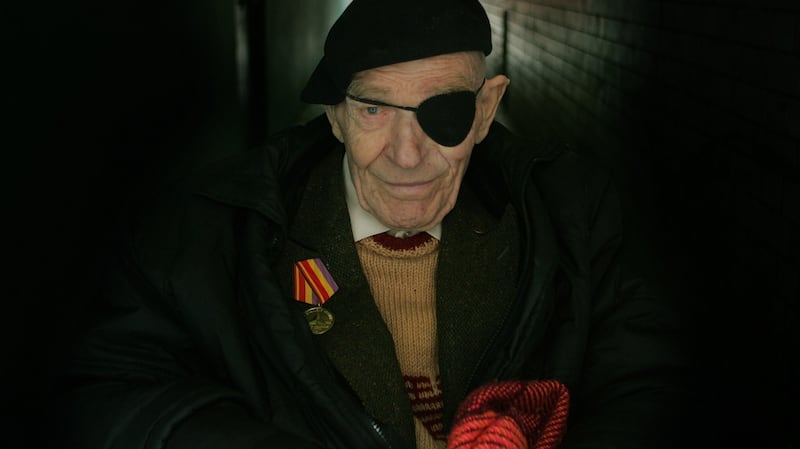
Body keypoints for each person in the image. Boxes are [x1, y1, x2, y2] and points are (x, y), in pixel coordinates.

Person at [47, 1, 688, 448]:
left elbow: (649, 384)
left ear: (488, 111)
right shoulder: (207, 232)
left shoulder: (575, 217)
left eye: (445, 113)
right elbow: (108, 392)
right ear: (335, 116)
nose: (408, 156)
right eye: (376, 109)